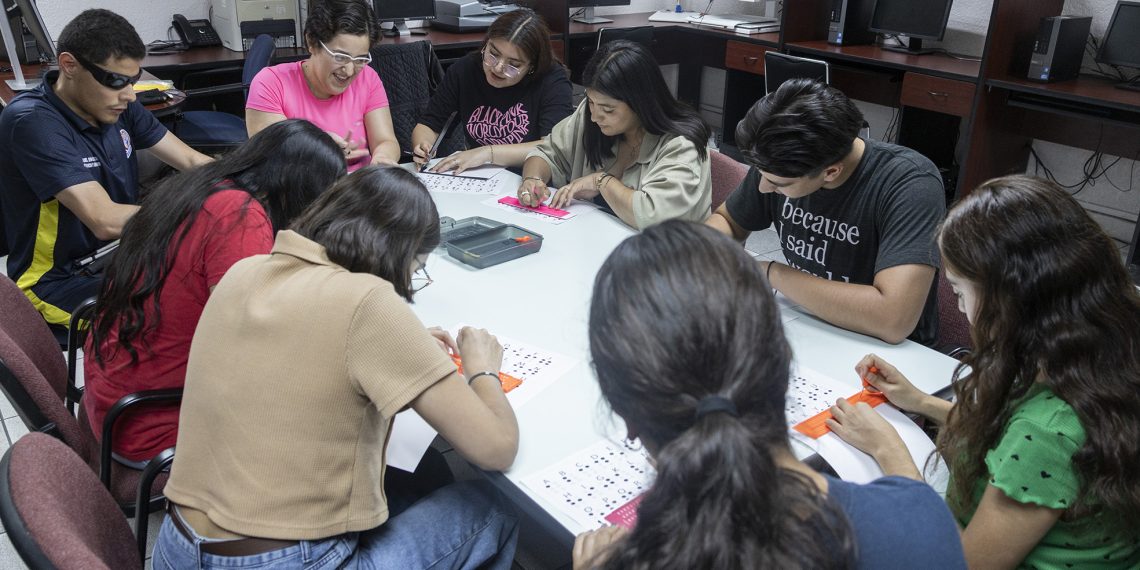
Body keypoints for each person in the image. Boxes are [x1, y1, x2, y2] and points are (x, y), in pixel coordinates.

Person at [153, 167, 519, 569]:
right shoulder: (369, 303)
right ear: (399, 252)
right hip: (283, 561)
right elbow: (496, 448)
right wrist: (482, 369)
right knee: (491, 506)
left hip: (176, 548)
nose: (409, 282)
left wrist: (400, 348)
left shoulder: (245, 271)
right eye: (416, 269)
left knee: (423, 474)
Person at [573, 220, 965, 569]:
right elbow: (912, 520)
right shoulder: (920, 528)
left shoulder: (630, 559)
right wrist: (895, 458)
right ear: (782, 365)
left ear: (626, 416)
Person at [826, 176, 1140, 569]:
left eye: (959, 291)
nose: (959, 309)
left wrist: (888, 450)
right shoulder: (1096, 351)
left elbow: (963, 563)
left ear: (1008, 299)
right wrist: (920, 401)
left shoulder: (1046, 433)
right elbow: (1012, 436)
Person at [82, 119, 346, 467]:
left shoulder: (203, 185)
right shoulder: (240, 217)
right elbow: (255, 338)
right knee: (333, 411)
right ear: (298, 189)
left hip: (113, 388)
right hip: (152, 421)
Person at [0, 9, 212, 334]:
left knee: (216, 287)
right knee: (183, 324)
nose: (128, 94)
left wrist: (247, 183)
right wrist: (204, 213)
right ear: (69, 65)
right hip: (57, 283)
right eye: (115, 81)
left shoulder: (120, 105)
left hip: (119, 255)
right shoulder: (32, 122)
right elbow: (104, 219)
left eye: (133, 81)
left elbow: (192, 161)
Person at [706, 79, 945, 346]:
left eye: (777, 183)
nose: (763, 188)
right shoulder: (779, 162)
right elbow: (729, 220)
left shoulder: (909, 184)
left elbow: (893, 319)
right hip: (809, 321)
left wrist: (771, 273)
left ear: (831, 172)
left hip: (885, 352)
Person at [517, 40, 712, 230]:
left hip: (661, 249)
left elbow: (652, 216)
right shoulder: (591, 115)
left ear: (640, 103)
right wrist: (533, 179)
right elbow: (547, 152)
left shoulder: (682, 145)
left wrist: (601, 181)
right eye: (591, 101)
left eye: (608, 109)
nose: (595, 116)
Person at [412, 9, 572, 174]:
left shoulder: (552, 81)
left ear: (531, 67)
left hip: (530, 177)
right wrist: (423, 146)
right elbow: (429, 124)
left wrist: (488, 153)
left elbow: (552, 147)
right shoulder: (465, 70)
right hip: (479, 175)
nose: (498, 68)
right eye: (493, 54)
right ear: (486, 43)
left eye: (513, 65)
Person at [245, 0, 399, 170]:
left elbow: (386, 141)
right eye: (340, 57)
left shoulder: (367, 78)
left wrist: (382, 157)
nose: (349, 71)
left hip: (358, 185)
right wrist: (317, 147)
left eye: (360, 59)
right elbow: (270, 157)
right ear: (312, 42)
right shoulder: (271, 83)